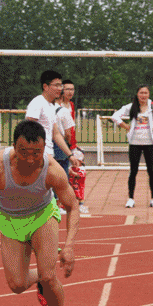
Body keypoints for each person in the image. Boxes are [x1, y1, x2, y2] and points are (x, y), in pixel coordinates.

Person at [0, 120, 78, 306]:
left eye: (36, 153)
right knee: (17, 285)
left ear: (44, 148)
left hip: (42, 216)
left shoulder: (52, 170)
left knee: (49, 276)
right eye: (24, 152)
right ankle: (39, 278)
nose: (30, 159)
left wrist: (69, 246)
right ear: (13, 147)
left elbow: (72, 206)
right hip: (10, 220)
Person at [111, 85, 153, 208]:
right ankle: (131, 198)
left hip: (149, 143)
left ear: (149, 94)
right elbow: (115, 116)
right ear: (137, 94)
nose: (143, 95)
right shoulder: (131, 106)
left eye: (145, 93)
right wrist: (125, 126)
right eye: (141, 93)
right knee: (133, 171)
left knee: (151, 171)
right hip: (134, 143)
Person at [25, 70, 81, 172]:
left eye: (61, 85)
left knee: (60, 180)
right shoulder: (38, 103)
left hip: (49, 155)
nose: (60, 89)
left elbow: (56, 134)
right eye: (57, 85)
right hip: (38, 156)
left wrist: (70, 155)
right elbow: (28, 131)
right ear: (45, 86)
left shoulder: (51, 106)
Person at [57, 81, 89, 215]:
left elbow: (71, 128)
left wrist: (74, 144)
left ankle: (79, 202)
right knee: (62, 174)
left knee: (79, 171)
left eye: (72, 89)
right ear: (61, 90)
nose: (70, 92)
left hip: (71, 144)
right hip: (61, 143)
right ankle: (60, 203)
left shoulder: (71, 105)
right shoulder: (56, 106)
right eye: (67, 89)